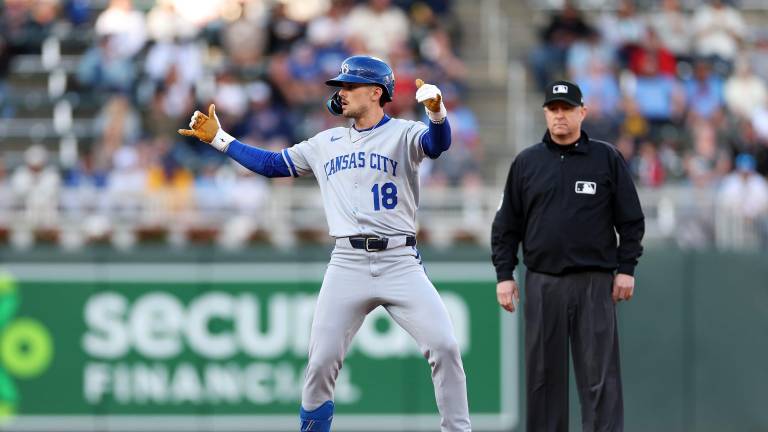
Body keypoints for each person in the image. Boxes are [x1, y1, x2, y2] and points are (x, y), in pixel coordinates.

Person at [178, 55, 472, 432]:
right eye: (340, 86)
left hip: (400, 259)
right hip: (347, 262)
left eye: (349, 86)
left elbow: (438, 143)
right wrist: (221, 140)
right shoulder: (325, 142)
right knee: (320, 364)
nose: (341, 92)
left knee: (445, 347)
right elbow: (272, 165)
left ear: (376, 92)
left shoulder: (403, 132)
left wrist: (437, 111)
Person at [490, 80, 644, 432]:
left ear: (582, 112)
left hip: (595, 282)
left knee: (600, 379)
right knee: (543, 379)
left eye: (567, 108)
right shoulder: (527, 163)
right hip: (543, 282)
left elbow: (631, 220)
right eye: (553, 108)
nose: (560, 115)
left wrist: (626, 268)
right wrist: (504, 274)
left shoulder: (606, 158)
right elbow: (506, 226)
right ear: (545, 112)